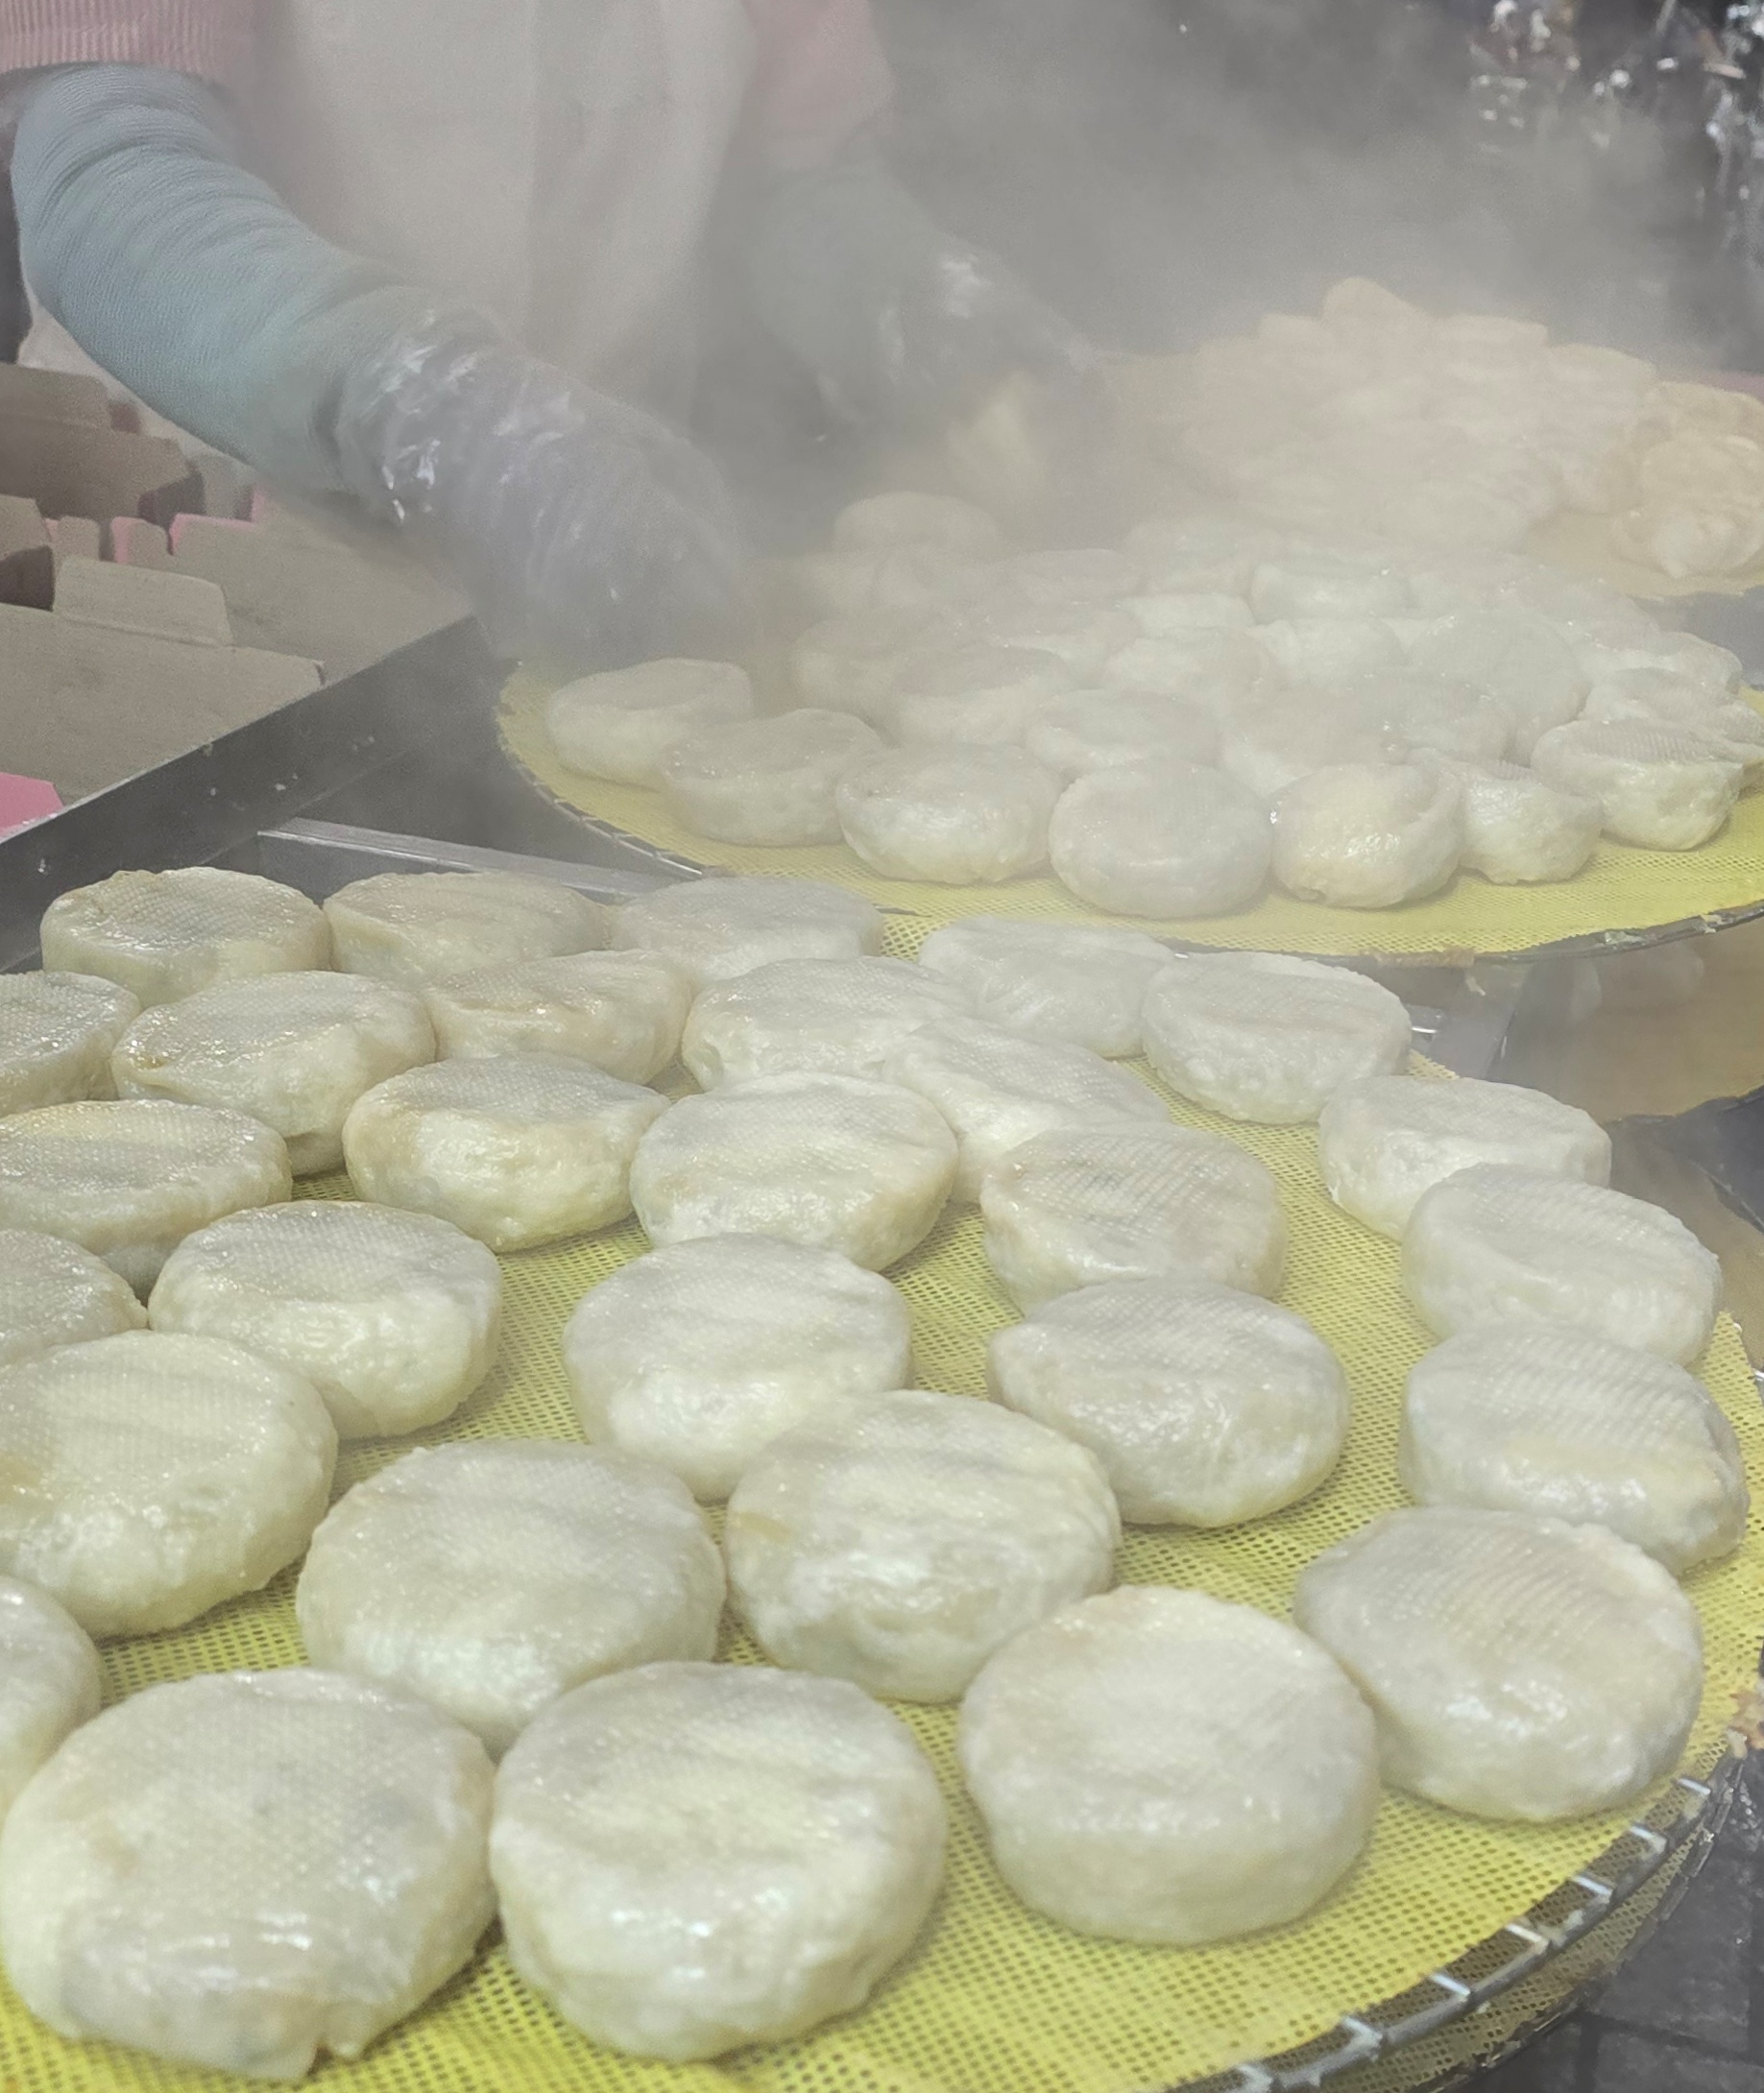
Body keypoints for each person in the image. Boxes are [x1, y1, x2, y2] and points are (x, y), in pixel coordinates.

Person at [0, 2, 1094, 672]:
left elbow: (789, 175)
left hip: (609, 560)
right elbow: (109, 177)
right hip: (211, 571)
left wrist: (903, 299)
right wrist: (422, 401)